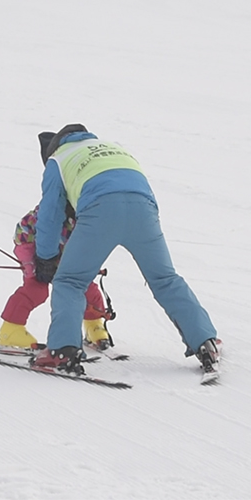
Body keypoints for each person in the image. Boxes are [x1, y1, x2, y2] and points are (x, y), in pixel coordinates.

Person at [28, 124, 220, 376]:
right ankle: (205, 341)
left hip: (100, 210)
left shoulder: (58, 159)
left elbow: (50, 213)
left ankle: (62, 350)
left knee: (70, 280)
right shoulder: (112, 148)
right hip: (144, 210)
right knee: (164, 279)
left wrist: (46, 257)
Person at [0, 133, 115, 349]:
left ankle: (94, 324)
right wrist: (46, 261)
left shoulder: (87, 195)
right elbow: (48, 227)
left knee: (85, 286)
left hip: (63, 245)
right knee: (37, 287)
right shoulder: (60, 195)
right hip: (32, 241)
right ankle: (10, 330)